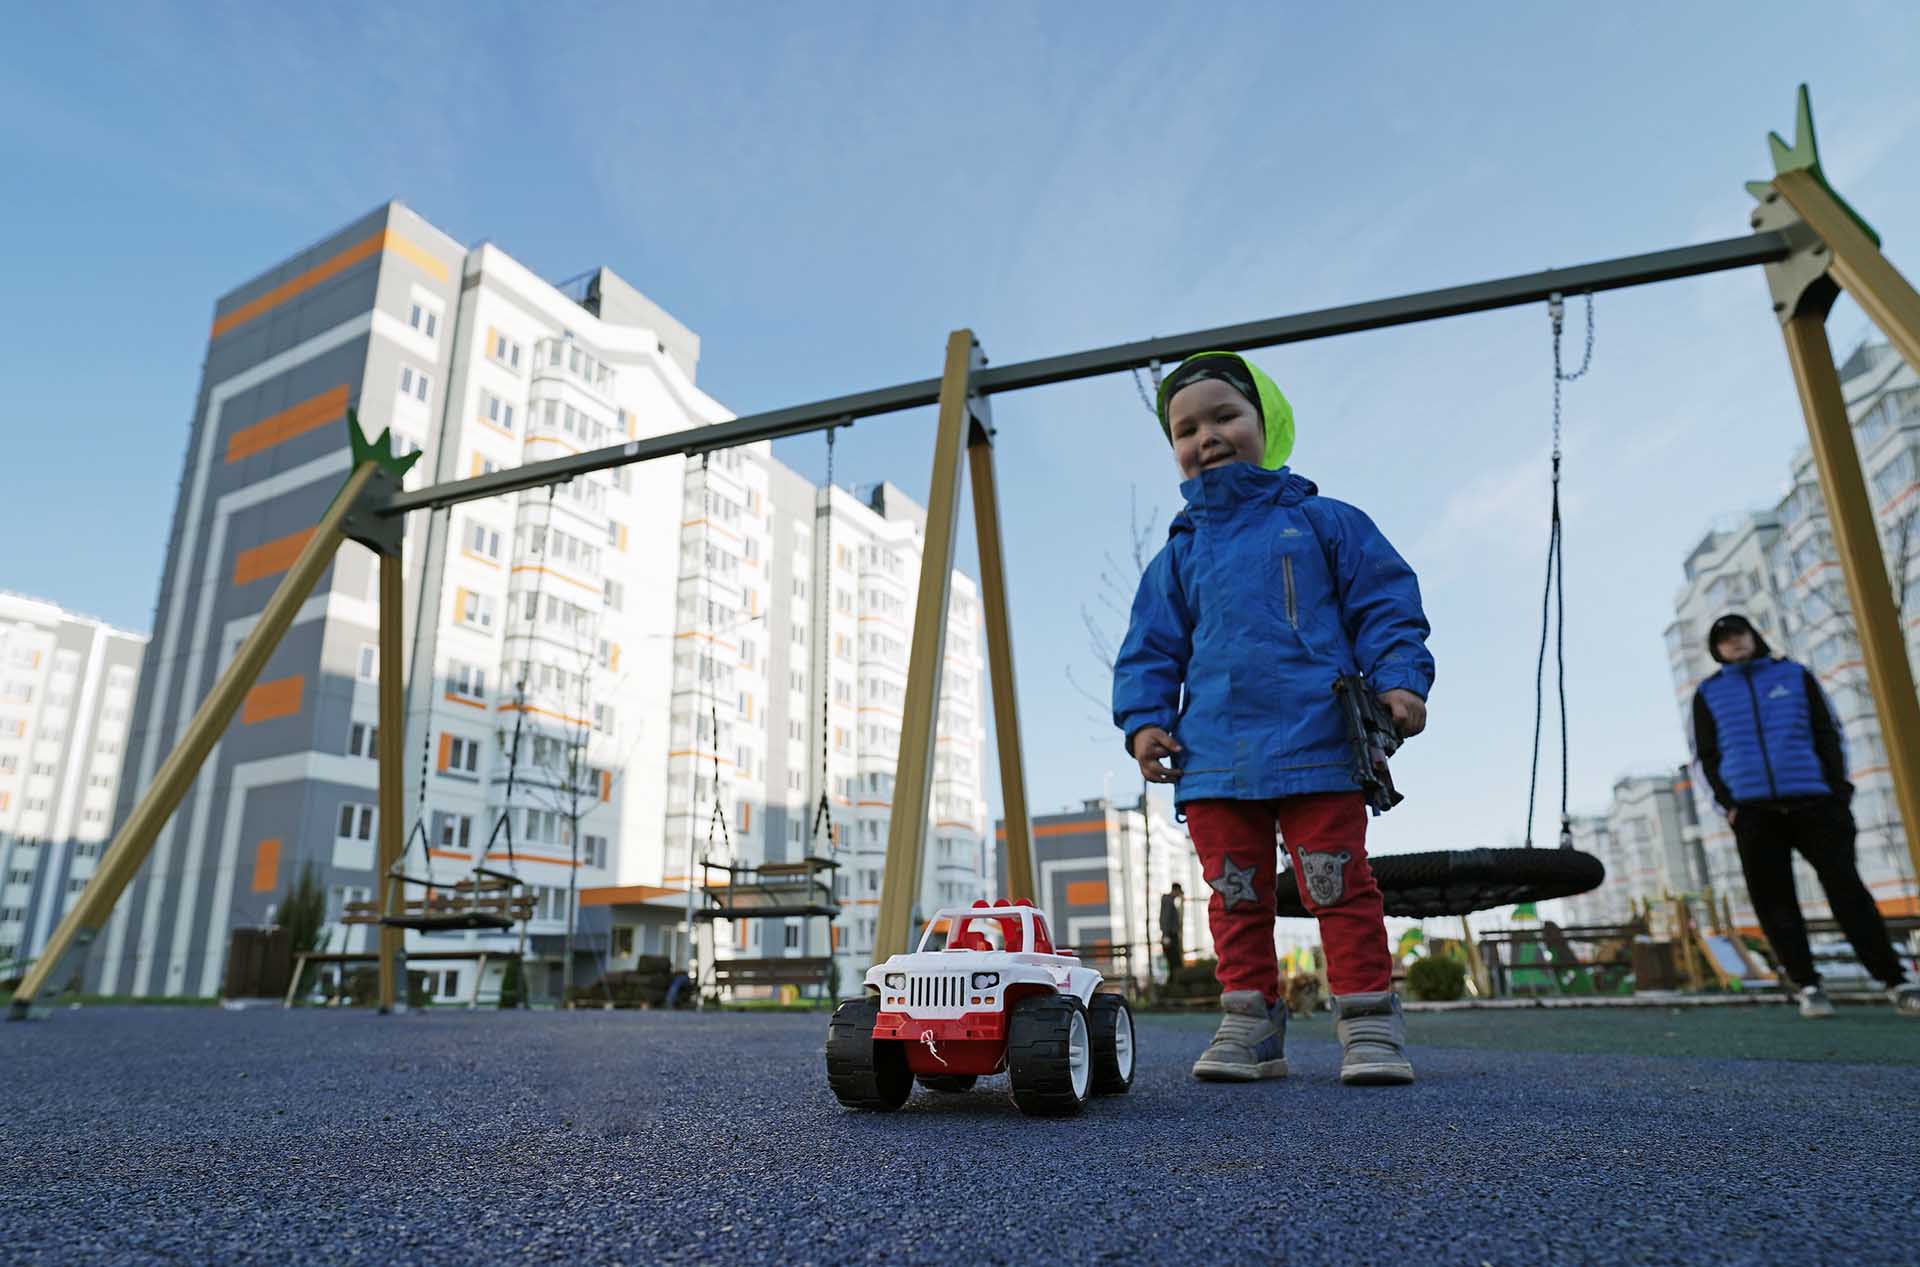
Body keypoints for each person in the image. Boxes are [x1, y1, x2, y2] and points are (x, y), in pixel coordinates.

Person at [1113, 351, 1434, 1084]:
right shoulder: (1179, 554)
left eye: (1226, 416)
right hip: (1216, 754)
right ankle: (1251, 1022)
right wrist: (1144, 721)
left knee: (1337, 881)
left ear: (1269, 425)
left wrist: (1401, 679)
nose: (1208, 436)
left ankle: (1368, 1020)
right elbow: (1151, 648)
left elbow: (1384, 603)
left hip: (1318, 741)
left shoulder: (1322, 522)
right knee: (1235, 894)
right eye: (1187, 428)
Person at [1691, 612, 1918, 1018]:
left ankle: (1895, 980)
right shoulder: (1708, 694)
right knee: (1774, 902)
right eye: (1724, 639)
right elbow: (1704, 756)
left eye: (1739, 634)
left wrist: (1838, 792)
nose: (1734, 643)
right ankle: (1808, 986)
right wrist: (1729, 807)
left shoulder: (1794, 675)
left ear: (1753, 636)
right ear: (1716, 649)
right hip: (1754, 813)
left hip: (1815, 804)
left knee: (1848, 892)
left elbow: (1827, 731)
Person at [1159, 882, 1185, 977]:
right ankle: (1175, 980)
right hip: (1170, 935)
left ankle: (1175, 979)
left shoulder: (1169, 901)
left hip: (1170, 934)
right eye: (1178, 892)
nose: (1179, 895)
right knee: (1174, 960)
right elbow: (1165, 918)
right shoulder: (1168, 901)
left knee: (1173, 960)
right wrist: (1165, 935)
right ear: (1175, 890)